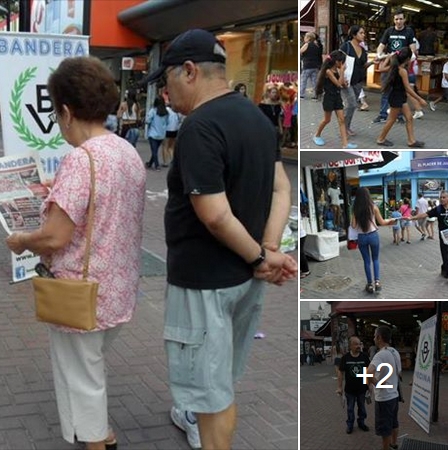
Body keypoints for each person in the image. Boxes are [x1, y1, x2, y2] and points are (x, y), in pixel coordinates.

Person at [141, 28, 297, 450]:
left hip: (205, 283)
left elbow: (213, 215)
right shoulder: (259, 119)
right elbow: (281, 189)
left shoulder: (200, 128)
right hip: (244, 283)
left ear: (190, 71)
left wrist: (259, 257)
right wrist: (268, 250)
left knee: (212, 400)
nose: (166, 94)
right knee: (220, 383)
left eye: (167, 80)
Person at [6, 56, 146, 450]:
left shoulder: (81, 160)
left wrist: (21, 240)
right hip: (116, 289)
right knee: (90, 367)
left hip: (80, 293)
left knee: (81, 377)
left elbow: (53, 237)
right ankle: (102, 432)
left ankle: (96, 442)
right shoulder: (124, 151)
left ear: (66, 111)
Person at [376, 47, 426, 148]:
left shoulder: (394, 67)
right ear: (407, 59)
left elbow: (381, 68)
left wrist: (388, 58)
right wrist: (419, 99)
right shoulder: (402, 70)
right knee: (391, 119)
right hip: (397, 97)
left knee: (409, 118)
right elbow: (408, 88)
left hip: (399, 97)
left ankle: (411, 141)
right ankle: (380, 139)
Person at [373, 9, 417, 124]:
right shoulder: (389, 31)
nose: (398, 21)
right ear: (394, 20)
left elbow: (413, 48)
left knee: (400, 91)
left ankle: (399, 115)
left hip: (402, 67)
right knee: (385, 90)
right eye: (396, 19)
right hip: (389, 65)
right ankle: (383, 115)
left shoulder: (409, 32)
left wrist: (410, 57)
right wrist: (379, 54)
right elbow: (381, 45)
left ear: (404, 19)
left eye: (401, 19)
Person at [351, 187, 396, 293]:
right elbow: (382, 222)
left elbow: (353, 225)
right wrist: (391, 220)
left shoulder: (355, 209)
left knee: (366, 261)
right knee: (375, 259)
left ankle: (370, 284)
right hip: (373, 236)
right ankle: (377, 282)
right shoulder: (373, 207)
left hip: (361, 237)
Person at [313, 50, 358, 149]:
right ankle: (317, 135)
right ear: (337, 61)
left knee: (341, 120)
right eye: (342, 62)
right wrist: (342, 72)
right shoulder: (328, 71)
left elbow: (342, 84)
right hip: (329, 98)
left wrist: (344, 80)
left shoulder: (337, 70)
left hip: (337, 97)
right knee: (327, 119)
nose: (343, 64)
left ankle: (345, 144)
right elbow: (338, 84)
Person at [366, 326, 401, 450]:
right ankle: (394, 443)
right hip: (394, 395)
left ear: (379, 338)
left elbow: (368, 372)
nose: (373, 338)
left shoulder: (380, 355)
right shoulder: (394, 352)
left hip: (384, 398)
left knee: (385, 427)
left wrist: (376, 383)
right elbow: (399, 373)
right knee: (394, 422)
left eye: (375, 335)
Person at [340, 25, 374, 136]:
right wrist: (341, 77)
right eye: (361, 33)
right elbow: (338, 62)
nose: (364, 35)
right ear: (354, 35)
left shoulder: (363, 50)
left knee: (351, 105)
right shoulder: (346, 46)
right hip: (347, 80)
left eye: (364, 33)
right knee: (352, 104)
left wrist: (373, 62)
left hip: (358, 81)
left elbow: (363, 65)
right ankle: (344, 128)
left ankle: (346, 127)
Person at [337, 336, 371, 434]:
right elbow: (340, 373)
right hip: (350, 390)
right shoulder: (345, 358)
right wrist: (339, 387)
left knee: (362, 408)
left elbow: (368, 371)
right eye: (356, 344)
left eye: (359, 344)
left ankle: (361, 423)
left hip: (362, 389)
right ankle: (350, 425)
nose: (358, 346)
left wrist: (369, 385)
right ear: (350, 345)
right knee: (350, 408)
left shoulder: (364, 356)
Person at [411, 190, 448, 278]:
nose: (442, 199)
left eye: (444, 197)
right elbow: (425, 214)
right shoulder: (438, 209)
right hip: (443, 237)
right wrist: (412, 218)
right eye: (441, 197)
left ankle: (445, 268)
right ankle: (445, 269)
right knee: (445, 254)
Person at [145, 95, 168, 171]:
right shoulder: (166, 112)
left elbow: (148, 121)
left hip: (153, 134)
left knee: (154, 151)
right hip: (161, 134)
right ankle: (150, 163)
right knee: (155, 150)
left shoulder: (153, 111)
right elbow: (167, 123)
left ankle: (157, 166)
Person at [300, 32, 322, 99]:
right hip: (315, 66)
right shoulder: (316, 46)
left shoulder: (307, 45)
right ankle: (316, 95)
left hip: (307, 65)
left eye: (305, 37)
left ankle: (301, 94)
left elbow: (300, 51)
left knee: (303, 80)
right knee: (314, 81)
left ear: (308, 38)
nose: (304, 38)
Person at [300, 210, 310, 278]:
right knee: (301, 252)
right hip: (301, 234)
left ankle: (306, 270)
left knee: (301, 253)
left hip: (301, 235)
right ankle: (303, 269)